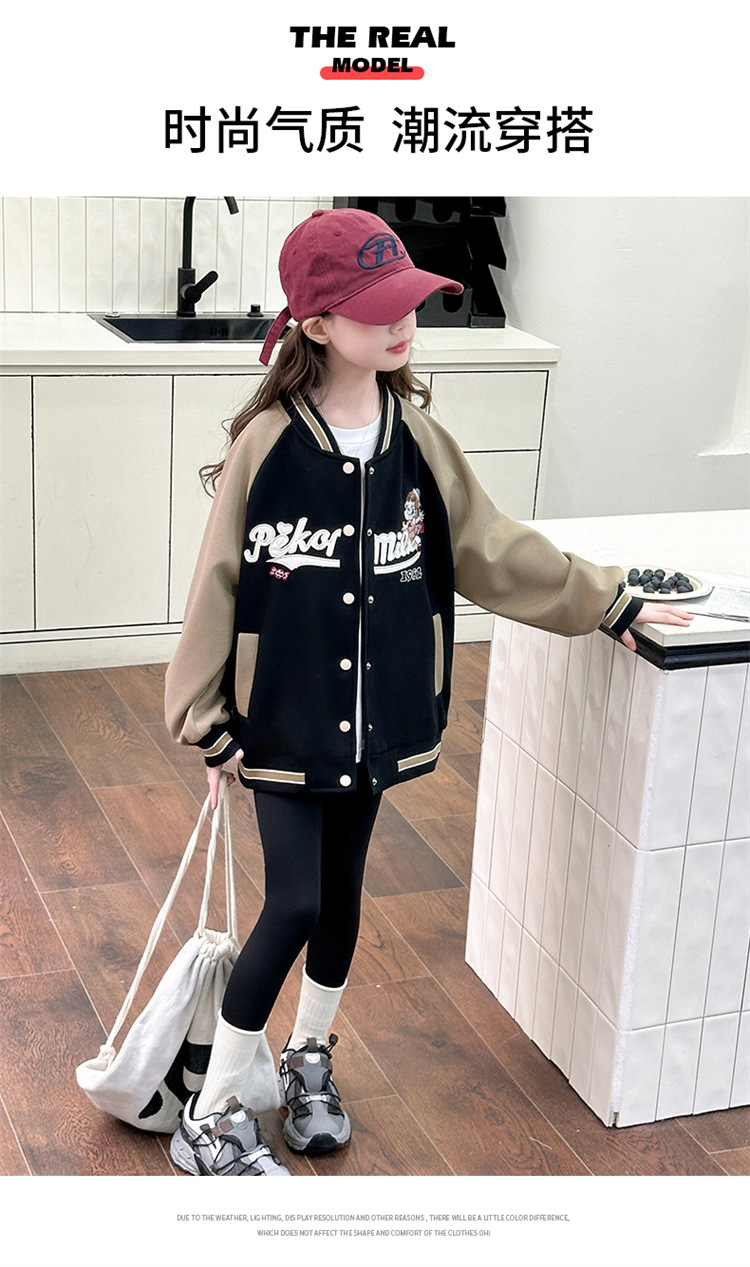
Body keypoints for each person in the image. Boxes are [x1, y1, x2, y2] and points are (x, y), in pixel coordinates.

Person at [163, 207, 693, 1177]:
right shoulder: (268, 444)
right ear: (317, 324)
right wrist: (205, 719)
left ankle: (308, 1056)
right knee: (292, 902)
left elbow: (493, 548)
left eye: (410, 299)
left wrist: (607, 598)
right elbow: (217, 585)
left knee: (342, 895)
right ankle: (212, 1110)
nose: (404, 320)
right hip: (284, 721)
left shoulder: (418, 439)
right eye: (379, 307)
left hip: (378, 721)